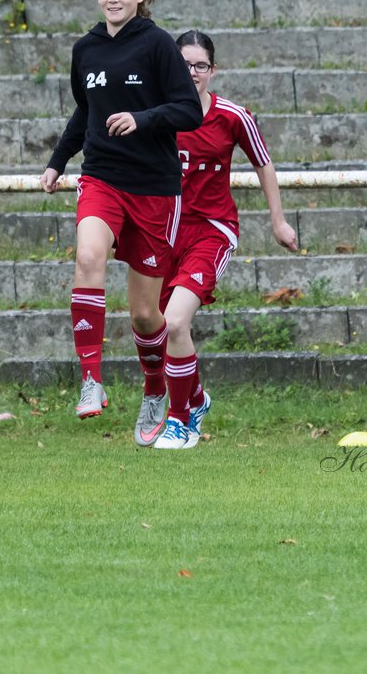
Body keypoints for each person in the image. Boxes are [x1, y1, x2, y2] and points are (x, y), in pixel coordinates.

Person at [40, 0, 202, 446]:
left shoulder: (156, 43)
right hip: (102, 177)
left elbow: (188, 110)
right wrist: (58, 161)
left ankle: (156, 387)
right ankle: (91, 379)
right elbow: (84, 113)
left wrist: (142, 118)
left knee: (144, 315)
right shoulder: (84, 49)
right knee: (88, 256)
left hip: (154, 187)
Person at [143, 30, 301, 449]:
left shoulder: (232, 116)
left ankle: (180, 422)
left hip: (211, 231)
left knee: (176, 321)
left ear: (213, 71)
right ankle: (194, 398)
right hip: (162, 233)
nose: (192, 72)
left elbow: (264, 164)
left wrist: (278, 221)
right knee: (162, 327)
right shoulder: (155, 114)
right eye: (184, 64)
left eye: (200, 65)